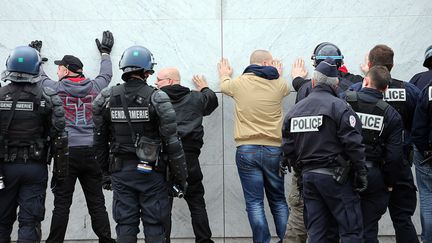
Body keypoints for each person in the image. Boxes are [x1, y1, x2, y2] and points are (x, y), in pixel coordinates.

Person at [93, 45, 188, 243]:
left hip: (121, 172)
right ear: (147, 72)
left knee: (125, 225)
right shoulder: (157, 98)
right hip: (152, 172)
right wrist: (180, 179)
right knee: (154, 225)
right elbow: (173, 143)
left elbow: (99, 140)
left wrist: (105, 174)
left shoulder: (106, 98)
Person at [28, 31, 116, 243]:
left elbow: (39, 79)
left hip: (66, 153)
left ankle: (54, 241)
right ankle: (106, 240)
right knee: (96, 202)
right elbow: (106, 76)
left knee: (62, 203)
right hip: (93, 153)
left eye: (59, 67)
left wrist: (35, 57)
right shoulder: (95, 87)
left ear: (66, 70)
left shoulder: (55, 88)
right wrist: (105, 53)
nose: (56, 70)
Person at [282, 58, 368, 243]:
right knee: (350, 230)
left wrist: (299, 170)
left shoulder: (295, 111)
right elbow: (353, 143)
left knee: (317, 232)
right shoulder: (340, 107)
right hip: (336, 178)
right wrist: (361, 171)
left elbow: (288, 147)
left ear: (313, 82)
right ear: (336, 84)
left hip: (309, 179)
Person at [350, 44, 420, 243]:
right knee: (403, 219)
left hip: (366, 169)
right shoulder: (409, 90)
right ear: (392, 65)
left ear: (370, 65)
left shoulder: (357, 91)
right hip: (399, 165)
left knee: (366, 224)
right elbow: (418, 124)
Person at [218, 50, 289, 243]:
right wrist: (278, 73)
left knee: (254, 202)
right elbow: (285, 89)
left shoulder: (239, 83)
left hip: (247, 149)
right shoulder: (279, 83)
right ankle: (288, 240)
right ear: (266, 62)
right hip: (274, 150)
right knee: (279, 201)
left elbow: (223, 86)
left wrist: (225, 73)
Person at [0, 46, 67, 242]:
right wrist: (60, 175)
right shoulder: (47, 97)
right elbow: (60, 138)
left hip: (4, 170)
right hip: (34, 167)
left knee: (2, 221)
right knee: (29, 222)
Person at [155, 68, 218, 243]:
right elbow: (212, 101)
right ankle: (204, 240)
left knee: (164, 204)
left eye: (158, 80)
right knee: (196, 201)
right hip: (190, 159)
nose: (155, 83)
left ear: (169, 81)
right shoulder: (196, 98)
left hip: (165, 158)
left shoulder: (155, 100)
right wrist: (205, 88)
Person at [345, 65, 404, 242]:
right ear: (386, 88)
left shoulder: (344, 101)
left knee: (344, 227)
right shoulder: (391, 115)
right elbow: (394, 156)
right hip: (374, 176)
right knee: (368, 229)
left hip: (344, 174)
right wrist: (389, 183)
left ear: (366, 80)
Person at [411, 69, 432, 243]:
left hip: (427, 155)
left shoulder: (427, 88)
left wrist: (424, 150)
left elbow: (418, 128)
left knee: (427, 198)